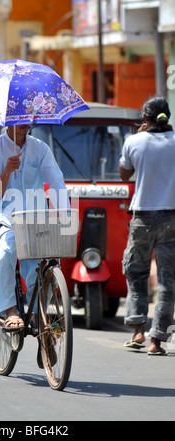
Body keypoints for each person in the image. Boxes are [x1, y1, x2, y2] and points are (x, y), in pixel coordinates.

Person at [0, 124, 69, 330]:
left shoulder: (41, 148)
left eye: (28, 119)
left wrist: (64, 216)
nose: (24, 125)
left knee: (43, 258)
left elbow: (56, 182)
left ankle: (38, 312)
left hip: (31, 214)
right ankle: (9, 309)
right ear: (7, 121)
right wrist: (7, 171)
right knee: (5, 249)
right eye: (19, 119)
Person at [119, 95, 175, 355]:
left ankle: (138, 330)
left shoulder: (134, 141)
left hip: (142, 218)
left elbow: (124, 173)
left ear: (145, 118)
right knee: (167, 281)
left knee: (136, 273)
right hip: (171, 218)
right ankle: (157, 341)